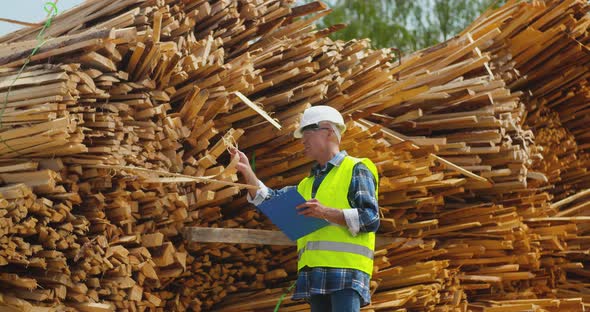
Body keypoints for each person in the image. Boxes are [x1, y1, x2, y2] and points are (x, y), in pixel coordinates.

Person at [230, 105, 379, 312]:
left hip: (346, 272)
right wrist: (248, 172)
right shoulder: (307, 184)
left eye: (307, 133)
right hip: (315, 273)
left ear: (327, 131)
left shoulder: (356, 168)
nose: (303, 141)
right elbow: (271, 199)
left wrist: (326, 212)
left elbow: (370, 219)